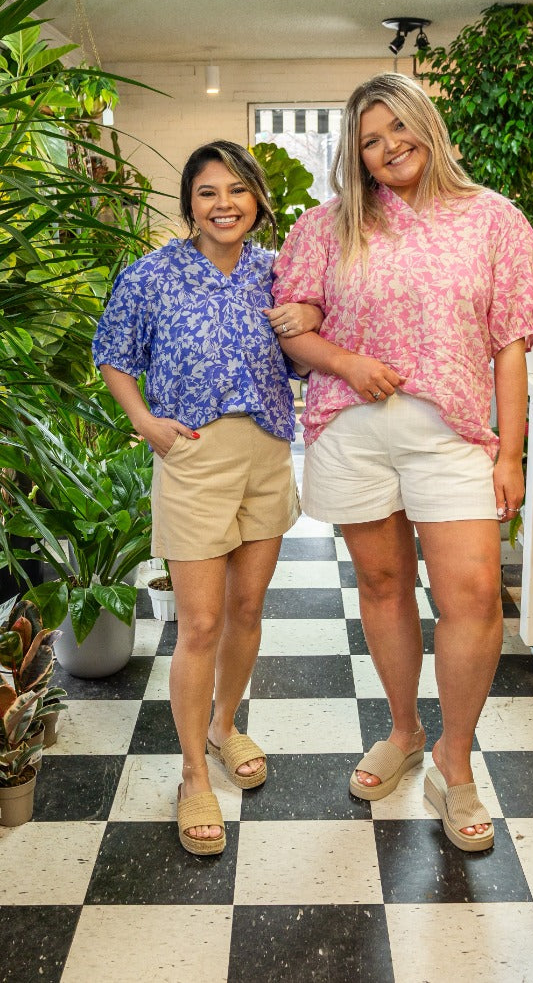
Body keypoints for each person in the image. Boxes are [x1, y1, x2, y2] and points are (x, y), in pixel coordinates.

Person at [273, 73, 533, 852]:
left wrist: (511, 454)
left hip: (450, 431)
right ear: (354, 157)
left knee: (474, 595)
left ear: (427, 123)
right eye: (369, 140)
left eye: (398, 128)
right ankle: (404, 730)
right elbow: (294, 330)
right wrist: (349, 362)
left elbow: (510, 347)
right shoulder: (327, 227)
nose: (389, 147)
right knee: (385, 584)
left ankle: (454, 761)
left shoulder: (494, 219)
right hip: (349, 427)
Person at [93, 140, 321, 856]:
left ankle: (225, 726)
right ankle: (193, 770)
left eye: (237, 190)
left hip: (265, 449)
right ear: (189, 203)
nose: (224, 204)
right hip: (191, 452)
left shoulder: (277, 274)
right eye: (207, 192)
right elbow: (113, 349)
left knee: (248, 608)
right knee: (198, 622)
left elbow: (304, 352)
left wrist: (308, 322)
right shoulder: (153, 274)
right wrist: (145, 423)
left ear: (257, 198)